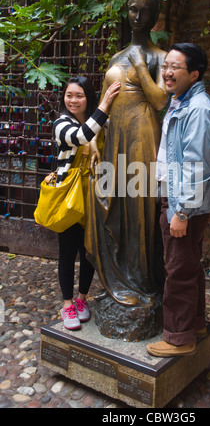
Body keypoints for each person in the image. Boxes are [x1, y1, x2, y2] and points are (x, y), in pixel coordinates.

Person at [86, 0, 168, 308]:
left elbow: (161, 99)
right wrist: (93, 138)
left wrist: (141, 65)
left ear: (153, 15)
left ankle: (144, 281)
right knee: (111, 201)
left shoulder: (160, 57)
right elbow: (104, 105)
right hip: (113, 136)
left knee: (140, 206)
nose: (136, 16)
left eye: (142, 11)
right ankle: (118, 279)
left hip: (142, 134)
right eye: (132, 9)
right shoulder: (116, 57)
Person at [146, 43, 210, 357]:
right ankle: (195, 323)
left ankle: (180, 338)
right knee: (189, 263)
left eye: (175, 67)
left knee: (177, 268)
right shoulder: (180, 102)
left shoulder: (198, 109)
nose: (167, 72)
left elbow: (196, 166)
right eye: (166, 65)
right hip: (178, 199)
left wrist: (181, 211)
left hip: (183, 203)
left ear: (194, 74)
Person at [54, 76, 120, 330]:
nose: (73, 100)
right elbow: (82, 136)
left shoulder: (101, 123)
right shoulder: (62, 123)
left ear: (87, 98)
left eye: (79, 95)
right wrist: (104, 105)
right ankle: (67, 304)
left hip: (94, 195)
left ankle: (82, 300)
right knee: (67, 253)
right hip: (69, 198)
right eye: (69, 95)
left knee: (88, 252)